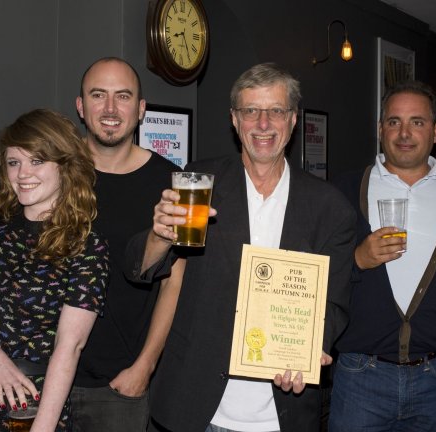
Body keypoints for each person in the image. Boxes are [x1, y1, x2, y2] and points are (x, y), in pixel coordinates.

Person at [0, 57, 182, 432]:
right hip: (10, 381)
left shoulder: (167, 180)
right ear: (80, 106)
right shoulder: (37, 168)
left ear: (140, 109)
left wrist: (145, 366)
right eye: (97, 95)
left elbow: (175, 280)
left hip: (111, 382)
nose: (109, 108)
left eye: (122, 96)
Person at [146, 63, 356, 432]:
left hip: (280, 413)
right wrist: (159, 237)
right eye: (250, 111)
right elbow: (147, 267)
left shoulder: (330, 206)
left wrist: (308, 349)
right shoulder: (198, 183)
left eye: (275, 111)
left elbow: (334, 303)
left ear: (292, 120)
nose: (263, 123)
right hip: (196, 406)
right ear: (234, 120)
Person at [328, 80, 436, 431]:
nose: (404, 133)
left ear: (435, 131)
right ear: (380, 129)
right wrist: (357, 259)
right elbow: (315, 274)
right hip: (360, 376)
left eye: (416, 122)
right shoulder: (342, 191)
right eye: (394, 122)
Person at [0, 109, 109, 431]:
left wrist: (44, 426)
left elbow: (69, 348)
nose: (23, 173)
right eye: (14, 162)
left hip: (31, 406)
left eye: (37, 161)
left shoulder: (85, 246)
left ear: (65, 165)